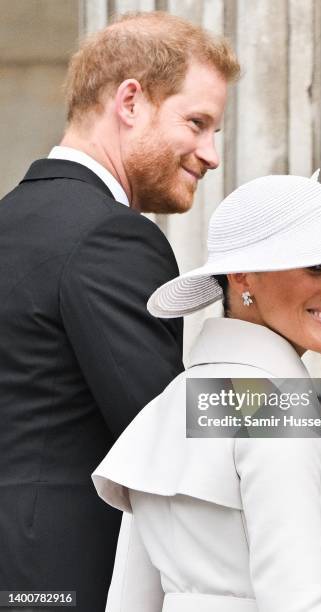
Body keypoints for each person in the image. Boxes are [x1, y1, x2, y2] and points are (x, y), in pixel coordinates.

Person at [93, 169, 321, 611]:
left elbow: (130, 599)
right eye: (316, 265)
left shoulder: (177, 399)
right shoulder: (272, 405)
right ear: (243, 276)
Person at [0, 11, 239, 612]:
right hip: (65, 582)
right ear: (130, 101)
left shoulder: (10, 221)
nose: (210, 154)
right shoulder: (111, 236)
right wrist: (293, 403)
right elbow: (165, 430)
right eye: (198, 122)